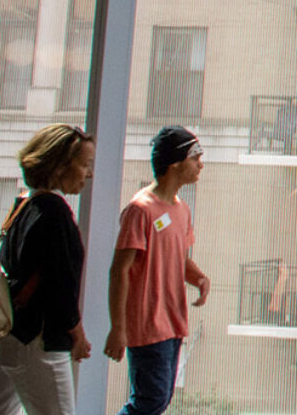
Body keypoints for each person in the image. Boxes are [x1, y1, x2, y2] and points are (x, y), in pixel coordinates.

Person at [0, 125, 95, 415]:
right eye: (84, 164)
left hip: (6, 335)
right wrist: (77, 335)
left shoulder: (22, 205)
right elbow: (61, 284)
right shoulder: (55, 212)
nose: (89, 174)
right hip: (37, 340)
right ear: (60, 167)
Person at [104, 126, 211, 415]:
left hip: (173, 322)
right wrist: (118, 328)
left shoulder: (182, 210)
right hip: (147, 324)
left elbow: (176, 258)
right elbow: (119, 270)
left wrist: (199, 278)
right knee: (149, 401)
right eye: (195, 157)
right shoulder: (140, 210)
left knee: (159, 400)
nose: (200, 164)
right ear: (175, 163)